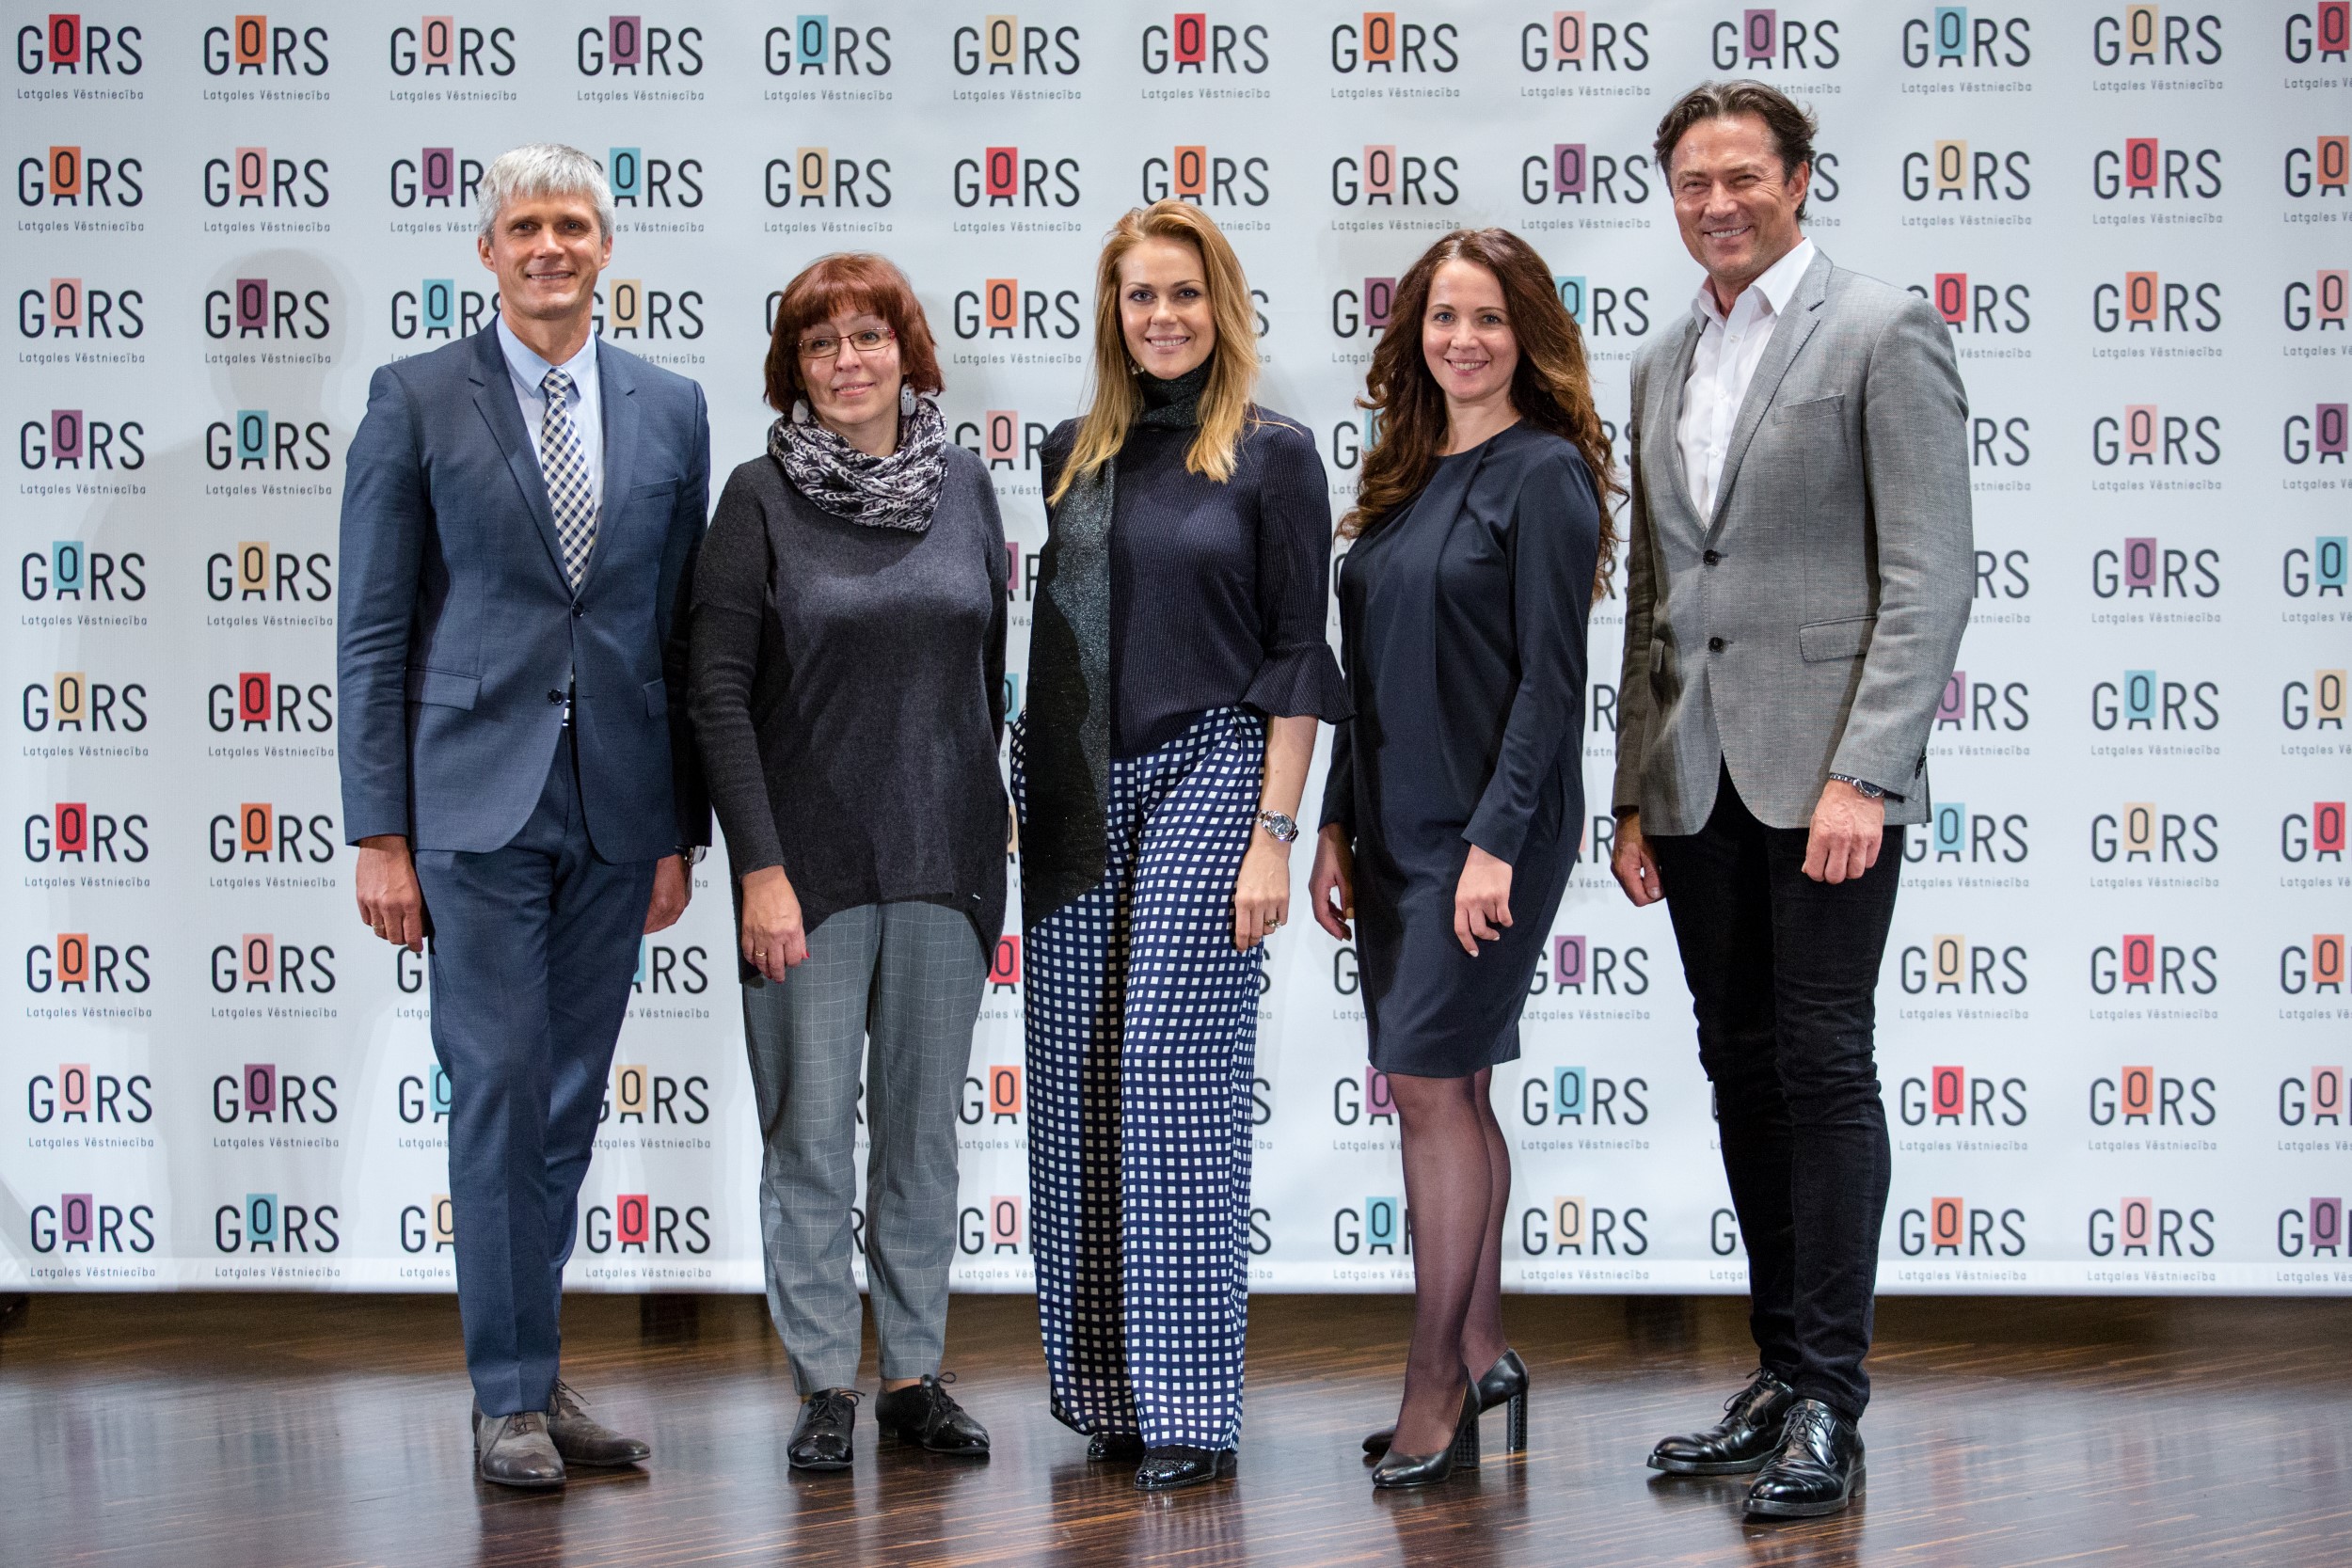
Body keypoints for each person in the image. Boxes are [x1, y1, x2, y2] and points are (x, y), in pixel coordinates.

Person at [1610, 81, 1972, 1520]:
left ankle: (1831, 1397)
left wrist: (1866, 771)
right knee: (1741, 1067)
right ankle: (1776, 1372)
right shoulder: (1661, 360)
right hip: (1693, 780)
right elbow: (1655, 592)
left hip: (1828, 780)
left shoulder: (1884, 330)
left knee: (1823, 1066)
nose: (1717, 203)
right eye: (1692, 183)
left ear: (1801, 178)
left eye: (1742, 177)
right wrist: (1631, 789)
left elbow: (1930, 573)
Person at [339, 143, 709, 1489]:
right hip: (469, 807)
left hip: (618, 807)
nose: (550, 245)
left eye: (572, 224)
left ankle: (535, 1373)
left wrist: (677, 829)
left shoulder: (671, 406)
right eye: (525, 226)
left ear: (606, 248)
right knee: (498, 1088)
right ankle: (504, 1396)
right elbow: (373, 629)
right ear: (487, 252)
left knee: (564, 1103)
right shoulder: (415, 398)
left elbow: (677, 632)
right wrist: (380, 834)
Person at [1015, 199, 1349, 1492]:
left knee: (1170, 1072)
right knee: (1079, 1080)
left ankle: (1194, 1407)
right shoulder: (1073, 453)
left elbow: (1296, 656)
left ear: (1224, 307)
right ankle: (1111, 1391)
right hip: (1078, 782)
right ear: (1113, 313)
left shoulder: (1273, 455)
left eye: (1184, 294)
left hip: (1216, 767)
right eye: (1141, 295)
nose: (1163, 316)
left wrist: (1275, 834)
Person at [687, 253, 1005, 1473]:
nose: (848, 361)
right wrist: (759, 870)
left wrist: (985, 828)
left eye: (869, 336)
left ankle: (913, 1377)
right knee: (810, 1138)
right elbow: (716, 697)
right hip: (804, 876)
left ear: (907, 351)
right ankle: (826, 1383)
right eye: (821, 344)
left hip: (945, 866)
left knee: (922, 1139)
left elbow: (986, 676)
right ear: (795, 369)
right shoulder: (756, 499)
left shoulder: (965, 487)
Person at [1308, 230, 1613, 1490]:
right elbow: (1365, 671)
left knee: (1428, 1089)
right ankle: (1485, 1356)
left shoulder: (1545, 475)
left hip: (1490, 833)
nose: (1464, 340)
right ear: (1415, 334)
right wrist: (1335, 820)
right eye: (1444, 317)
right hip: (1392, 828)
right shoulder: (1402, 473)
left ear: (1526, 334)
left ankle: (1435, 1383)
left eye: (1489, 318)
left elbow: (1551, 682)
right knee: (1459, 1090)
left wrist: (1495, 844)